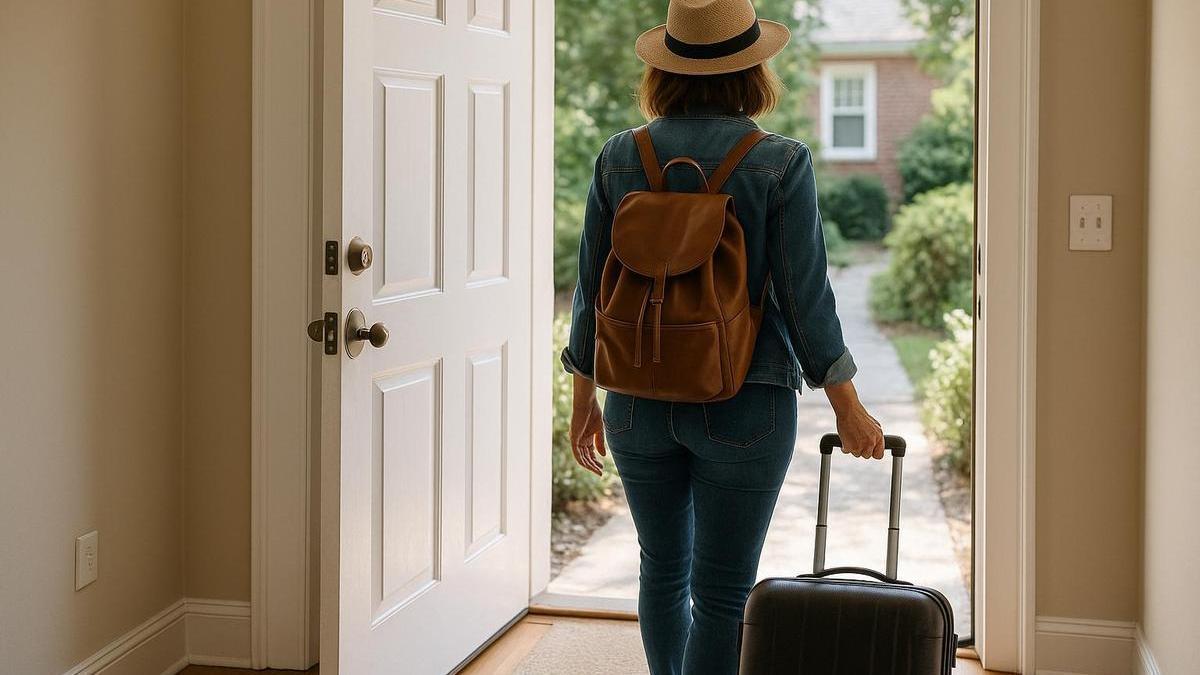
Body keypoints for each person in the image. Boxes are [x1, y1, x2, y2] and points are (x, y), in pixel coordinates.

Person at [558, 1, 886, 672]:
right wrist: (848, 407)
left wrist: (582, 400)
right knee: (722, 592)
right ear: (752, 70)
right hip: (746, 400)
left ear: (664, 71)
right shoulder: (778, 162)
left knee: (662, 572)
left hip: (636, 401)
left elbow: (591, 293)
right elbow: (806, 300)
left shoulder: (620, 156)